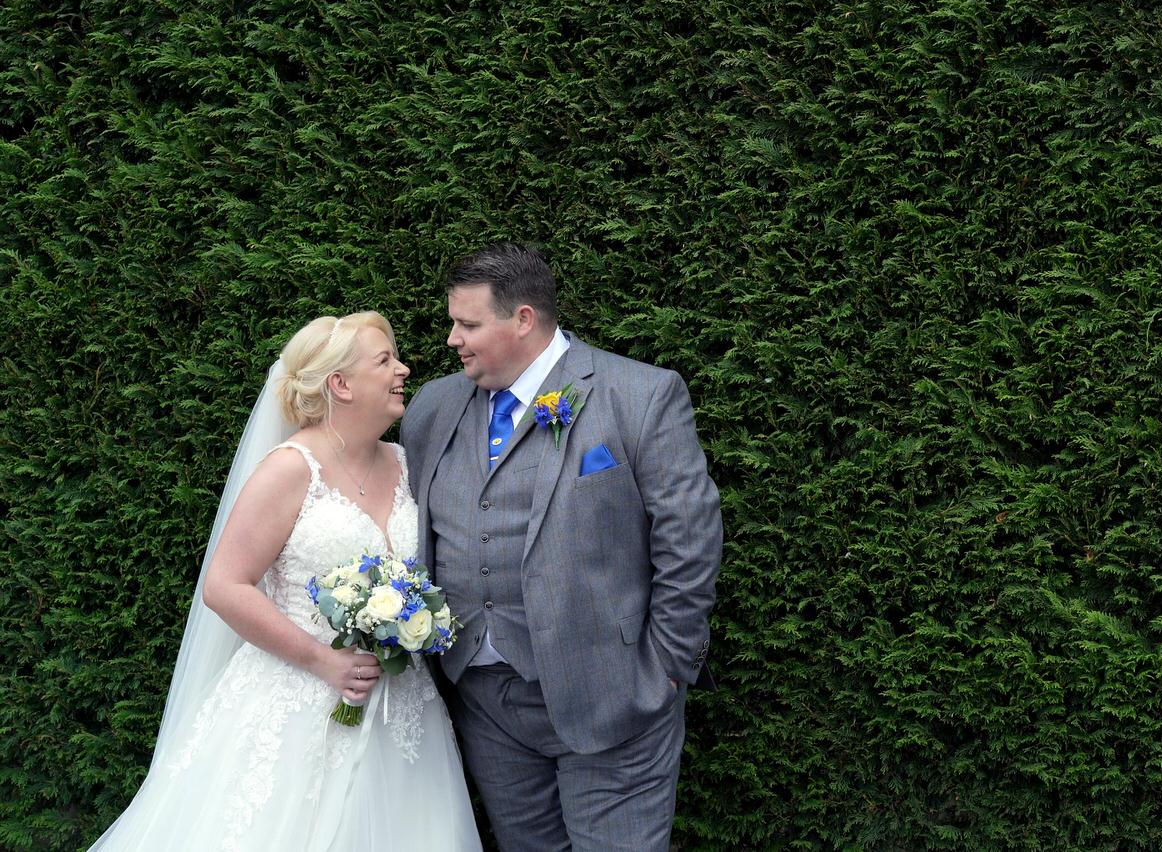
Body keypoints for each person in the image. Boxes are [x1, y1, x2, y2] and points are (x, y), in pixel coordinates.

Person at [89, 312, 482, 852]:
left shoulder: (406, 463)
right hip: (300, 695)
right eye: (385, 360)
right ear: (340, 384)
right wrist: (324, 660)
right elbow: (225, 586)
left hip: (403, 705)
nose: (403, 369)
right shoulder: (291, 469)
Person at [401, 241, 723, 851]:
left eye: (468, 324)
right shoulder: (434, 407)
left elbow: (690, 539)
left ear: (523, 319)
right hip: (485, 701)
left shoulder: (640, 395)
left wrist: (666, 668)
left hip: (614, 695)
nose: (452, 339)